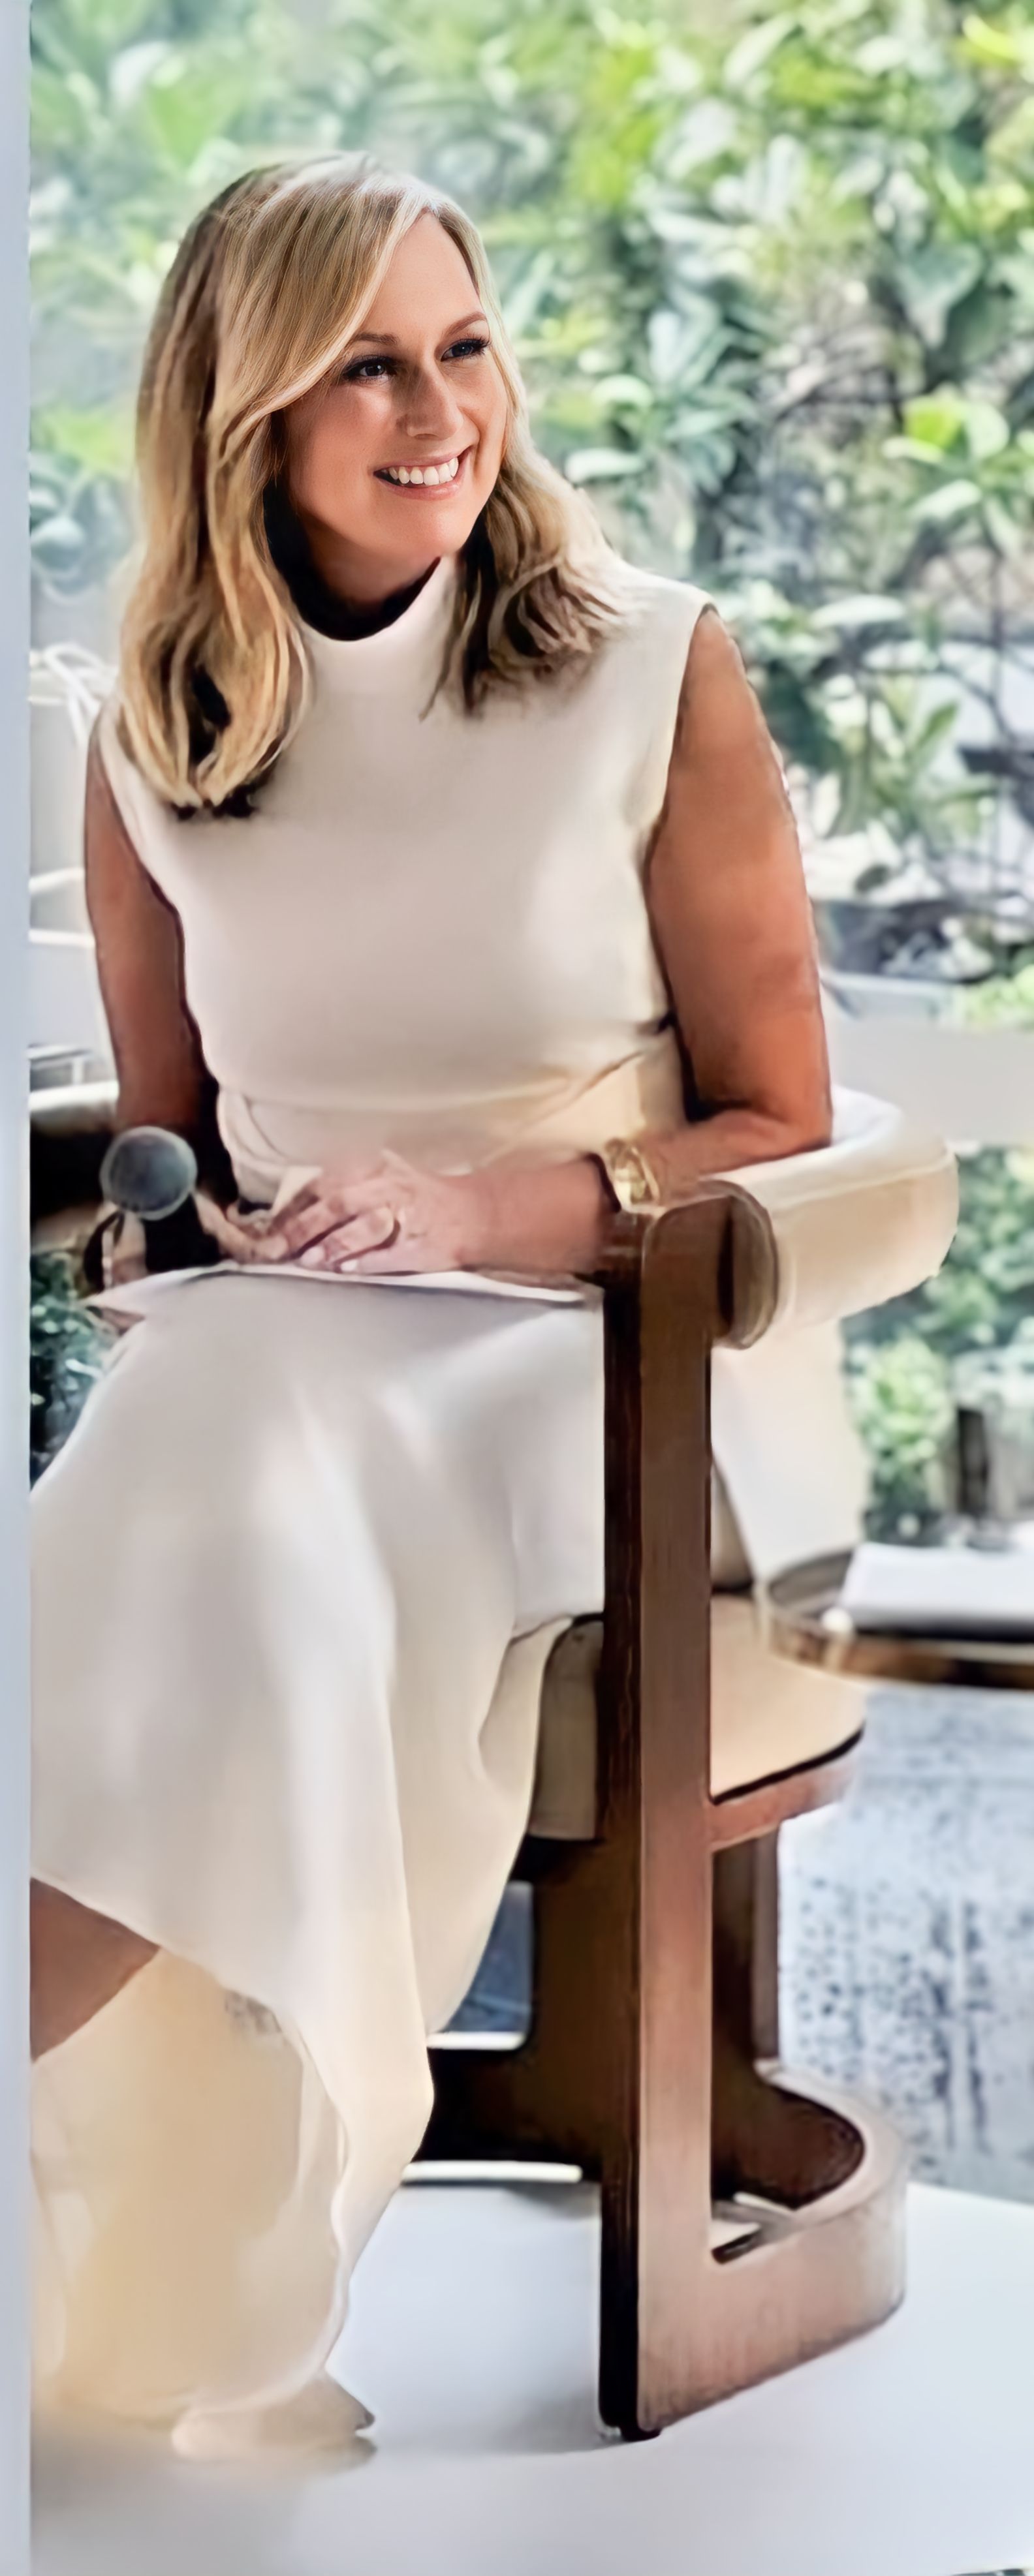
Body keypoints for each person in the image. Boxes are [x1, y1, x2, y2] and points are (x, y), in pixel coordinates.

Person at [29, 150, 833, 2463]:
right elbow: (167, 1143)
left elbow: (786, 1114)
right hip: (288, 1346)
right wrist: (169, 1239)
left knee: (225, 1460)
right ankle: (173, 2222)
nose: (441, 410)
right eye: (367, 364)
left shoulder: (649, 667)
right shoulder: (156, 728)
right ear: (244, 409)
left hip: (618, 1343)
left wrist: (483, 1204)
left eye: (464, 347)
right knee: (197, 1442)